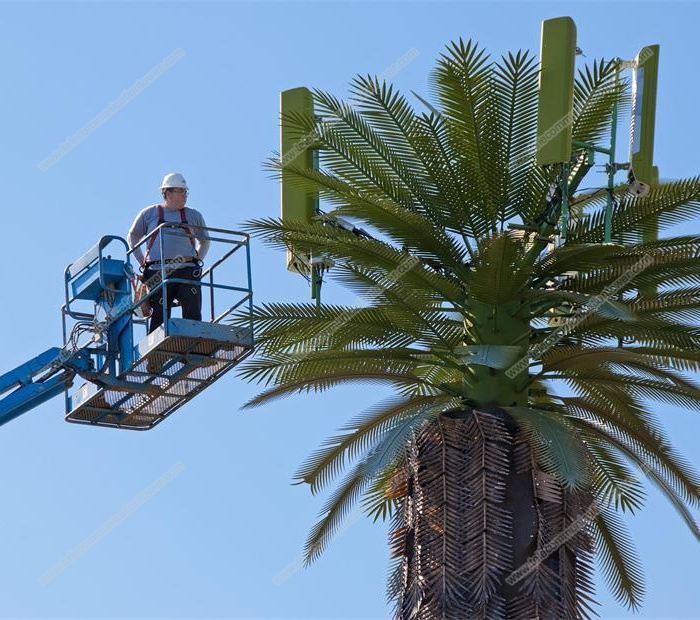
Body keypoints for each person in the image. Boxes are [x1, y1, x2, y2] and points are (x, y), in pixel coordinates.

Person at [127, 173, 210, 334]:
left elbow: (205, 241)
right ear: (168, 193)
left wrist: (196, 260)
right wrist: (141, 262)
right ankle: (157, 353)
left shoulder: (193, 216)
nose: (185, 196)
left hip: (186, 269)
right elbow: (133, 236)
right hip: (158, 271)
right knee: (160, 310)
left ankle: (193, 343)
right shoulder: (149, 214)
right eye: (181, 192)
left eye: (186, 192)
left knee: (192, 305)